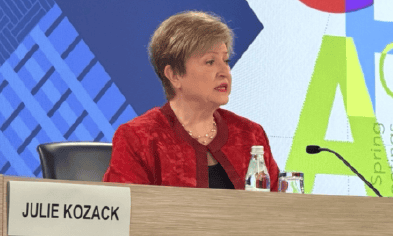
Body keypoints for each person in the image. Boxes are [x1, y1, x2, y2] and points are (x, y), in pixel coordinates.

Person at [103, 11, 279, 190]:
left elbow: (278, 203)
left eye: (226, 60)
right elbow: (125, 205)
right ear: (174, 75)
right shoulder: (139, 138)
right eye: (210, 62)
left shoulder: (250, 135)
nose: (225, 72)